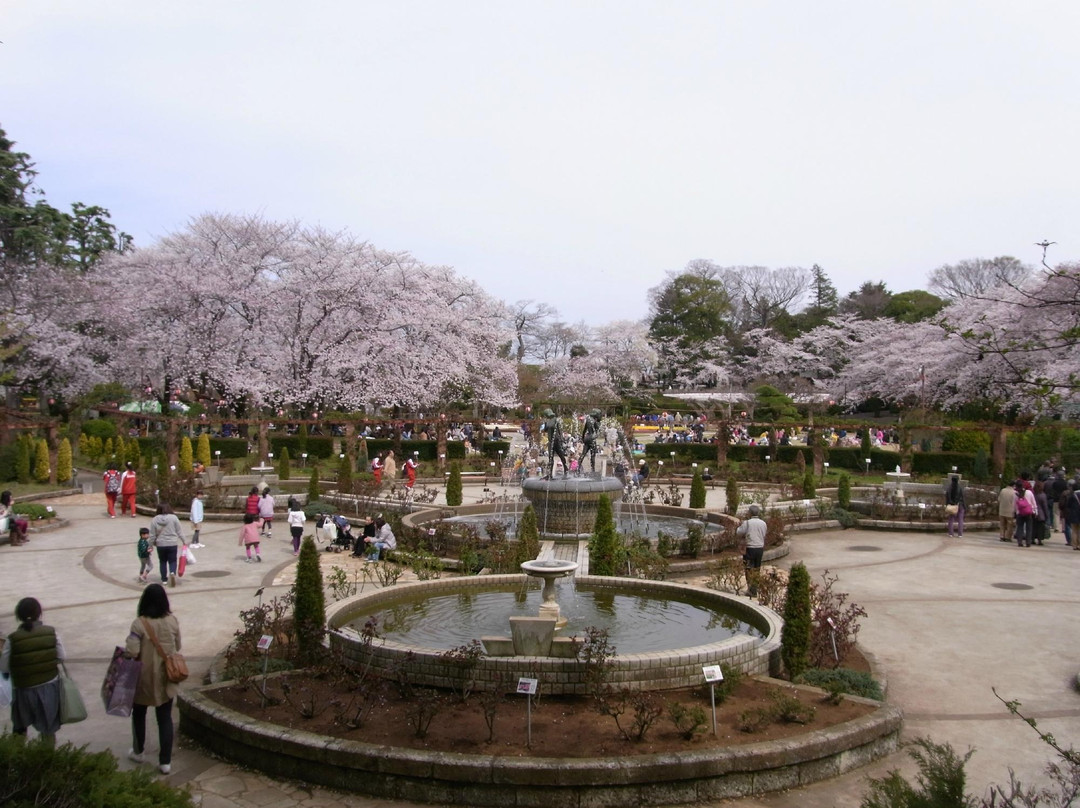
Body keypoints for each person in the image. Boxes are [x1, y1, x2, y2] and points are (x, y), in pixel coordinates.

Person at [126, 583, 181, 775]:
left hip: (144, 678)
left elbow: (132, 651)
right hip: (168, 675)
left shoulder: (139, 624)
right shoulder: (172, 620)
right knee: (164, 717)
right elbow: (178, 645)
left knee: (139, 714)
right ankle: (165, 762)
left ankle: (138, 751)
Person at [0, 596, 65, 743]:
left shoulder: (13, 638)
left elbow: (4, 667)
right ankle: (48, 760)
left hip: (23, 690)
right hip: (49, 687)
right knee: (48, 729)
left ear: (19, 616)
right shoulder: (51, 632)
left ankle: (16, 760)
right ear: (39, 613)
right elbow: (61, 656)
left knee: (19, 727)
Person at [149, 503, 187, 587]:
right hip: (172, 543)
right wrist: (184, 541)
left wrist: (150, 545)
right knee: (172, 561)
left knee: (162, 562)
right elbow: (179, 531)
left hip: (160, 544)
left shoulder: (154, 519)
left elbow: (152, 535)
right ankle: (172, 572)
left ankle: (164, 580)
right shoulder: (173, 518)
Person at [736, 505, 767, 597]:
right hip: (760, 548)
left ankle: (751, 590)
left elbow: (739, 532)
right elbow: (764, 534)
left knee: (749, 569)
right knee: (757, 568)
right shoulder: (763, 523)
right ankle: (755, 589)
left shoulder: (747, 523)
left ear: (750, 513)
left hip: (750, 548)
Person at [539, 409, 568, 478]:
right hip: (550, 441)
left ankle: (566, 469)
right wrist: (544, 423)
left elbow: (559, 430)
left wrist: (561, 439)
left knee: (561, 455)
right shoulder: (548, 421)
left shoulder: (555, 420)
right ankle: (549, 474)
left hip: (556, 440)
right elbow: (545, 430)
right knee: (550, 458)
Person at [1014, 479, 1037, 547]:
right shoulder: (1029, 492)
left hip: (1020, 513)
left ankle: (1020, 541)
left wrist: (1016, 512)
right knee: (1029, 528)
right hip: (1028, 512)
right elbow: (1034, 503)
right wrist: (1035, 511)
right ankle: (1028, 542)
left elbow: (1014, 505)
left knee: (1020, 527)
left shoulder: (1015, 494)